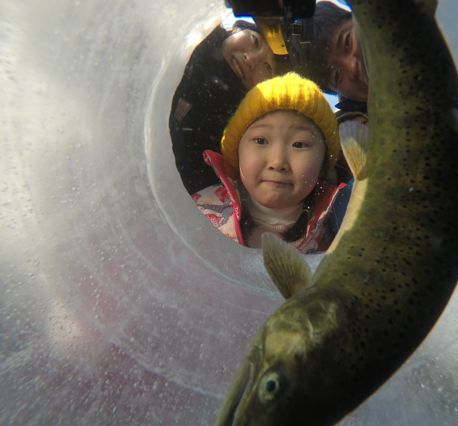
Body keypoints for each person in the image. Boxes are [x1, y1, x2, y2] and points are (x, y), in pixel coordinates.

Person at [191, 73, 346, 253]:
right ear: (237, 152)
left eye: (299, 144)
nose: (278, 161)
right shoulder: (196, 214)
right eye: (261, 141)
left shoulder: (341, 223)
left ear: (322, 164)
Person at [169, 20, 288, 194]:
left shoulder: (226, 137)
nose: (251, 59)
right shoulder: (196, 30)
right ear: (238, 29)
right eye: (255, 41)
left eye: (268, 68)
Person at [309, 0, 439, 115]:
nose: (352, 66)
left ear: (359, 19)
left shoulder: (425, 15)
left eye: (347, 42)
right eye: (337, 75)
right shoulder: (360, 136)